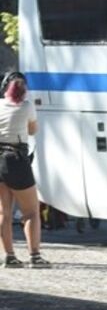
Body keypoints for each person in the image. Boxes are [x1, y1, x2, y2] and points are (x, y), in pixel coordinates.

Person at [0, 71, 49, 268]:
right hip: (17, 160)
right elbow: (32, 130)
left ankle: (9, 256)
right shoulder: (27, 106)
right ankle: (35, 256)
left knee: (4, 213)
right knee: (31, 212)